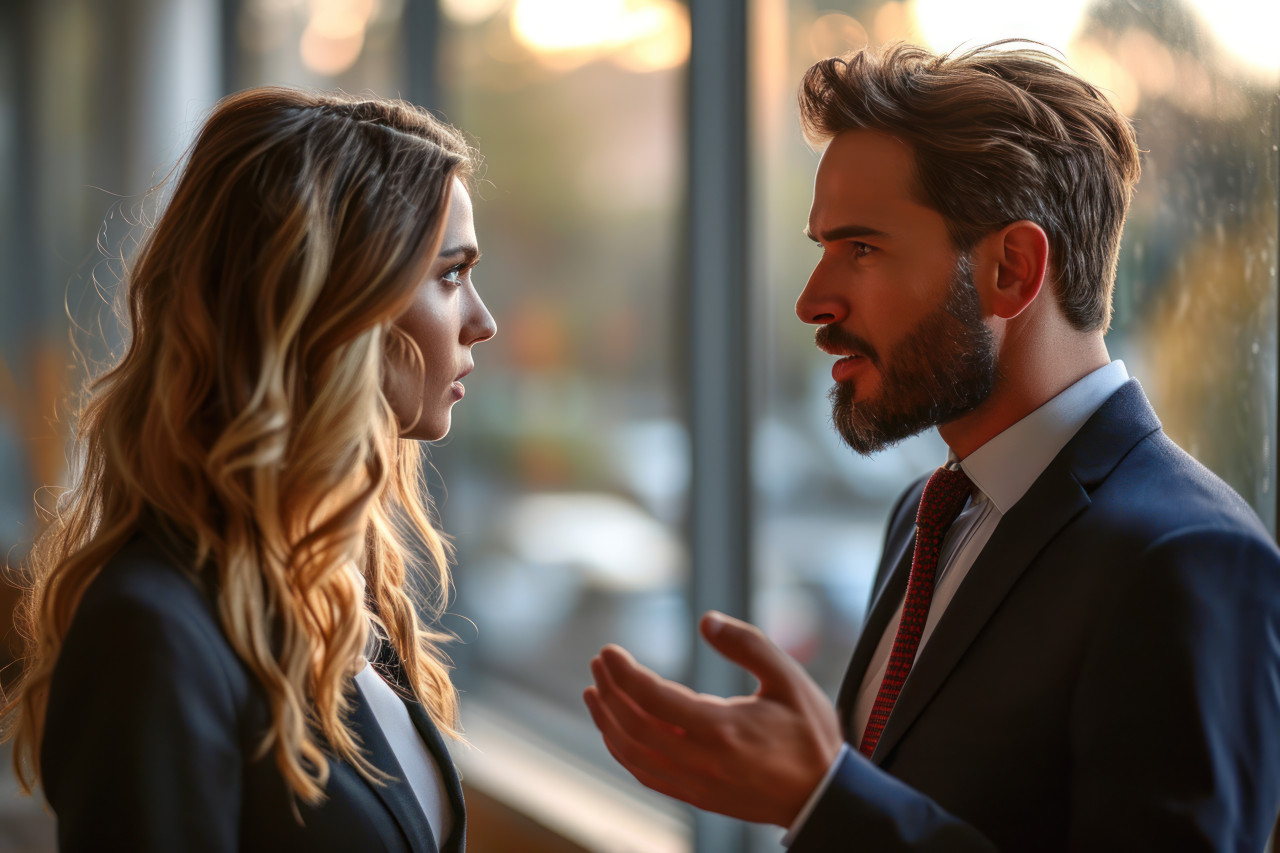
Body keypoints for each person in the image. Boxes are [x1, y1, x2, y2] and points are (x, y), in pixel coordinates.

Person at [584, 41, 1280, 851]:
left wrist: (825, 798)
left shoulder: (1189, 561)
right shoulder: (927, 513)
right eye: (820, 249)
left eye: (861, 248)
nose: (812, 300)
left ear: (1013, 271)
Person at [0, 87, 496, 852]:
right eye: (450, 275)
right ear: (333, 301)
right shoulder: (152, 631)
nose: (482, 321)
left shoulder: (343, 584)